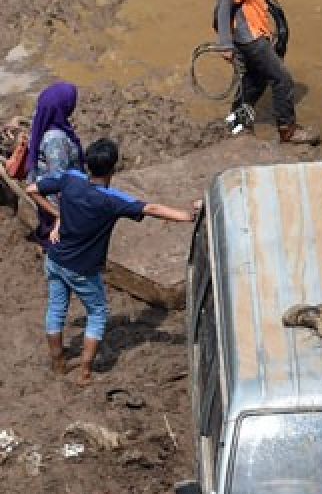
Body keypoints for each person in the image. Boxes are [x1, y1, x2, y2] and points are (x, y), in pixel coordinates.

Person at [26, 138, 198, 385]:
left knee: (56, 309)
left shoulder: (70, 179)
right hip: (83, 269)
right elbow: (152, 209)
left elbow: (33, 190)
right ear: (112, 169)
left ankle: (58, 362)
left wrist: (58, 215)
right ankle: (85, 372)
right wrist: (186, 216)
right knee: (97, 312)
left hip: (55, 259)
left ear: (87, 163)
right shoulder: (111, 200)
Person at [215, 0, 320, 145]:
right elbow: (223, 7)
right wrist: (225, 44)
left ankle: (236, 123)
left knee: (256, 80)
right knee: (282, 79)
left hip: (259, 27)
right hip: (246, 36)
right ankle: (288, 130)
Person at [23, 82, 84, 249]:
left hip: (44, 187)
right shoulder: (55, 139)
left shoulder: (43, 119)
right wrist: (61, 216)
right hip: (55, 200)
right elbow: (59, 181)